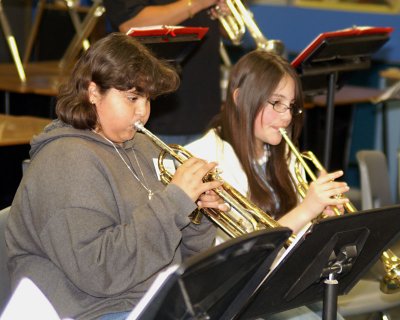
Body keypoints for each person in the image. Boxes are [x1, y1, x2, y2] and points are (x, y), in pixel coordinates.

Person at [5, 33, 227, 320]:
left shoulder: (141, 147)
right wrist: (173, 203)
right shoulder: (65, 160)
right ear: (93, 92)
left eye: (147, 99)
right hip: (90, 310)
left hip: (148, 297)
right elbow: (99, 272)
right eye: (132, 98)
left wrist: (197, 215)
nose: (143, 112)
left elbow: (182, 255)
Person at [185, 50, 349, 319]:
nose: (286, 117)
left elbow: (294, 242)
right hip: (232, 300)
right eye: (276, 103)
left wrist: (321, 222)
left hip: (280, 286)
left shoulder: (280, 153)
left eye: (292, 106)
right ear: (240, 98)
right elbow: (241, 258)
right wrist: (306, 210)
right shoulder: (205, 160)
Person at [102, 0, 224, 145]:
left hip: (207, 109)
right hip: (160, 116)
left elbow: (222, 34)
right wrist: (198, 3)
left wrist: (220, 12)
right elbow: (130, 22)